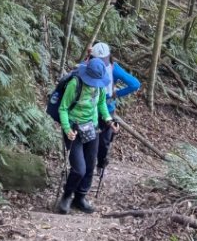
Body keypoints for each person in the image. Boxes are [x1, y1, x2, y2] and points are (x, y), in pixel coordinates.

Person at [56, 56, 111, 215]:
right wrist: (67, 129)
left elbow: (101, 103)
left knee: (90, 165)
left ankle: (80, 198)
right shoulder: (75, 84)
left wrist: (108, 119)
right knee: (79, 169)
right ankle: (67, 196)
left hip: (92, 128)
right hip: (73, 129)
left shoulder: (99, 86)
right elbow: (63, 108)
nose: (94, 84)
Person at [89, 41, 141, 172]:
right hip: (104, 108)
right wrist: (116, 94)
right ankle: (98, 166)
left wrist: (116, 94)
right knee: (102, 141)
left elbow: (135, 84)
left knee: (94, 139)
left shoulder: (92, 65)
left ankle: (95, 166)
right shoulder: (112, 67)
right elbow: (134, 84)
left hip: (96, 107)